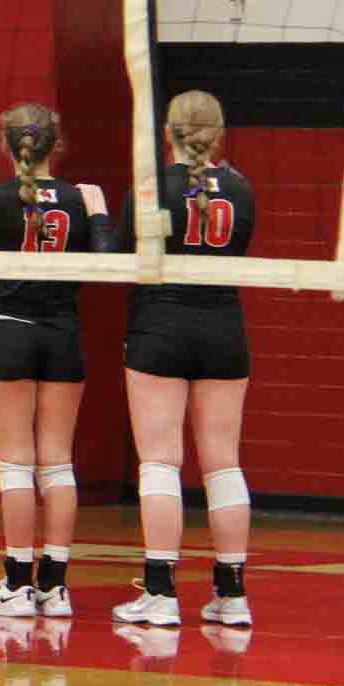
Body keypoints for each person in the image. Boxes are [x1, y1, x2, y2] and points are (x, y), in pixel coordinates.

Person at [0, 104, 112, 619]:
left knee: (15, 462)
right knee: (58, 462)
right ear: (55, 145)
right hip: (61, 333)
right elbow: (107, 261)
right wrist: (99, 212)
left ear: (6, 144)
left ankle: (18, 584)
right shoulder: (79, 199)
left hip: (8, 333)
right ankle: (55, 587)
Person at [113, 90, 256, 629]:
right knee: (223, 462)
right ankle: (232, 594)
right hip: (223, 331)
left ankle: (160, 592)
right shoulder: (242, 189)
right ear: (219, 134)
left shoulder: (152, 189)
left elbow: (118, 256)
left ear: (167, 132)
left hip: (161, 329)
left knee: (159, 461)